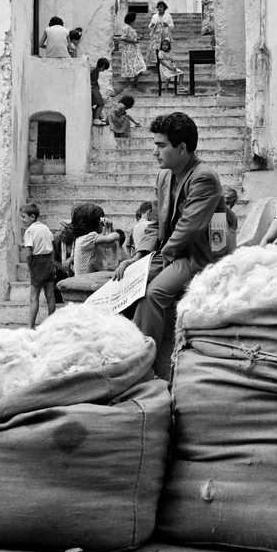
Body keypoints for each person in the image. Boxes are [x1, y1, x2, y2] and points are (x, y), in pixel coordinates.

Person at [113, 112, 227, 349]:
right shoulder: (164, 175)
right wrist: (138, 257)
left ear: (182, 148)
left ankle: (145, 361)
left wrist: (157, 262)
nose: (155, 152)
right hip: (170, 252)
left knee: (151, 295)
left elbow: (188, 228)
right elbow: (157, 223)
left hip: (197, 255)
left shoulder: (204, 177)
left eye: (161, 145)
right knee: (121, 286)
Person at [20, 202, 56, 329]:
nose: (22, 219)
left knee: (33, 297)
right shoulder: (45, 228)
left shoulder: (30, 231)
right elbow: (52, 242)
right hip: (49, 261)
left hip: (38, 262)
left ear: (32, 217)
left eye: (24, 217)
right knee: (50, 295)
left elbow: (29, 252)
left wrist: (30, 266)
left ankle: (30, 326)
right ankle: (52, 324)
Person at [68, 202, 120, 276]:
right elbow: (111, 239)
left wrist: (108, 229)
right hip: (86, 280)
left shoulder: (80, 239)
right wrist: (113, 230)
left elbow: (107, 244)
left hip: (81, 277)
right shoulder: (90, 238)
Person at [119, 12, 147, 89]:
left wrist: (138, 38)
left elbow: (132, 38)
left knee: (140, 65)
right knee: (128, 65)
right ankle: (129, 83)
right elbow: (122, 38)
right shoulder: (126, 28)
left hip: (134, 49)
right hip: (128, 49)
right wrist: (133, 41)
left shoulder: (131, 28)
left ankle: (135, 82)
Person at [145, 1, 174, 66]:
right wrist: (151, 26)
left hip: (164, 34)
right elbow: (150, 26)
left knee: (164, 48)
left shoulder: (168, 16)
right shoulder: (154, 16)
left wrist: (168, 25)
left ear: (164, 8)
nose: (159, 8)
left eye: (161, 7)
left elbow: (172, 26)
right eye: (158, 7)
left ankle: (165, 62)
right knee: (155, 48)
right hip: (156, 35)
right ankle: (157, 62)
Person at [90, 57, 110, 126]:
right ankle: (96, 119)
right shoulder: (93, 69)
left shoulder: (96, 71)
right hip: (93, 89)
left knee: (100, 103)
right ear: (102, 66)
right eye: (104, 68)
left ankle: (96, 118)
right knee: (101, 104)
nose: (103, 70)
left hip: (95, 88)